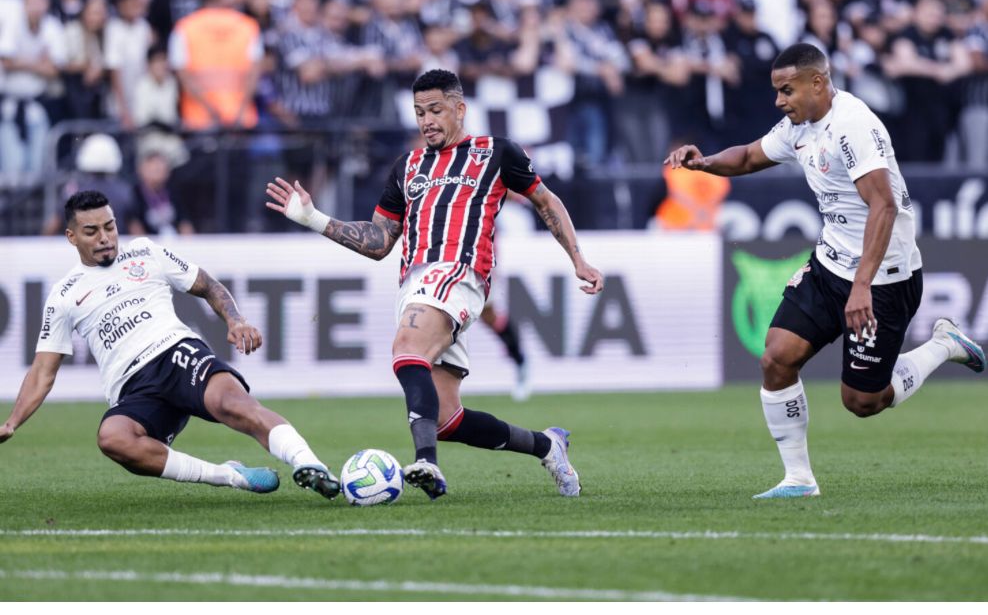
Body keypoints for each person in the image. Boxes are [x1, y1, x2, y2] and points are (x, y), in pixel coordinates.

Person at [664, 43, 986, 499]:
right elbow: (752, 156)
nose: (779, 101)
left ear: (818, 83)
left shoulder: (852, 126)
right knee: (776, 357)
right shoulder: (802, 125)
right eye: (777, 91)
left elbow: (884, 205)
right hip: (830, 265)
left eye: (786, 90)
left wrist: (862, 288)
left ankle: (943, 345)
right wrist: (705, 163)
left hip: (883, 280)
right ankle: (799, 479)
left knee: (862, 401)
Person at [266, 69, 604, 500]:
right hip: (413, 282)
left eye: (436, 110)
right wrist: (315, 219)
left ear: (459, 109)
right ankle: (547, 445)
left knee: (406, 348)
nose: (426, 121)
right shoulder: (406, 167)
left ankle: (426, 462)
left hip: (459, 274)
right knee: (445, 418)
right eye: (419, 112)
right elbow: (378, 242)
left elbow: (546, 201)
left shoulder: (495, 152)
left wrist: (578, 258)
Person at [2, 190, 339, 501]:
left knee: (234, 404)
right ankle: (229, 475)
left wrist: (235, 320)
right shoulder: (64, 295)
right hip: (133, 387)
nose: (105, 238)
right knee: (113, 438)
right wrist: (12, 422)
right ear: (71, 237)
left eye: (110, 226)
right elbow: (43, 371)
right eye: (92, 232)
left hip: (176, 353)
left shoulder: (145, 252)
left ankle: (310, 464)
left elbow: (207, 284)